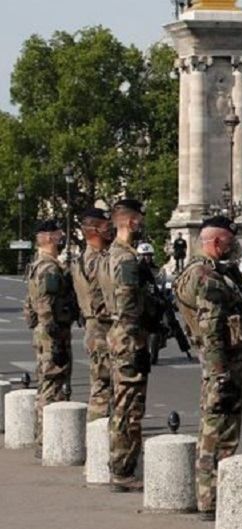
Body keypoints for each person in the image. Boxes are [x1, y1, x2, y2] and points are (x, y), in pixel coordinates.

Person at [174, 216, 242, 520]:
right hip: (221, 363)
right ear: (217, 242)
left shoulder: (203, 272)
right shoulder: (207, 277)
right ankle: (212, 498)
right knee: (219, 429)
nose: (235, 248)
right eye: (231, 243)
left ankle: (211, 495)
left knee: (216, 426)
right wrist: (220, 372)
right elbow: (211, 329)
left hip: (220, 362)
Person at [99, 199, 154, 492]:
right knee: (128, 406)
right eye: (140, 220)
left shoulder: (111, 255)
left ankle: (122, 465)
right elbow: (128, 305)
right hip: (129, 337)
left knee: (122, 402)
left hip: (120, 336)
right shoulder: (126, 260)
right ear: (131, 222)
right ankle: (123, 469)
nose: (142, 225)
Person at [23, 219, 77, 460]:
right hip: (53, 332)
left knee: (47, 383)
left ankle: (43, 436)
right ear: (45, 238)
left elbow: (29, 305)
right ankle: (48, 439)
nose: (60, 238)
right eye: (56, 235)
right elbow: (45, 304)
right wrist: (54, 336)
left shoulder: (38, 265)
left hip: (45, 332)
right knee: (53, 385)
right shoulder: (50, 268)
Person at [71, 208, 115, 422]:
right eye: (107, 227)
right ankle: (97, 434)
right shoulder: (96, 261)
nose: (111, 231)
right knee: (102, 386)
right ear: (95, 230)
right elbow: (102, 301)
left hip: (94, 326)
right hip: (101, 328)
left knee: (103, 383)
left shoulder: (84, 258)